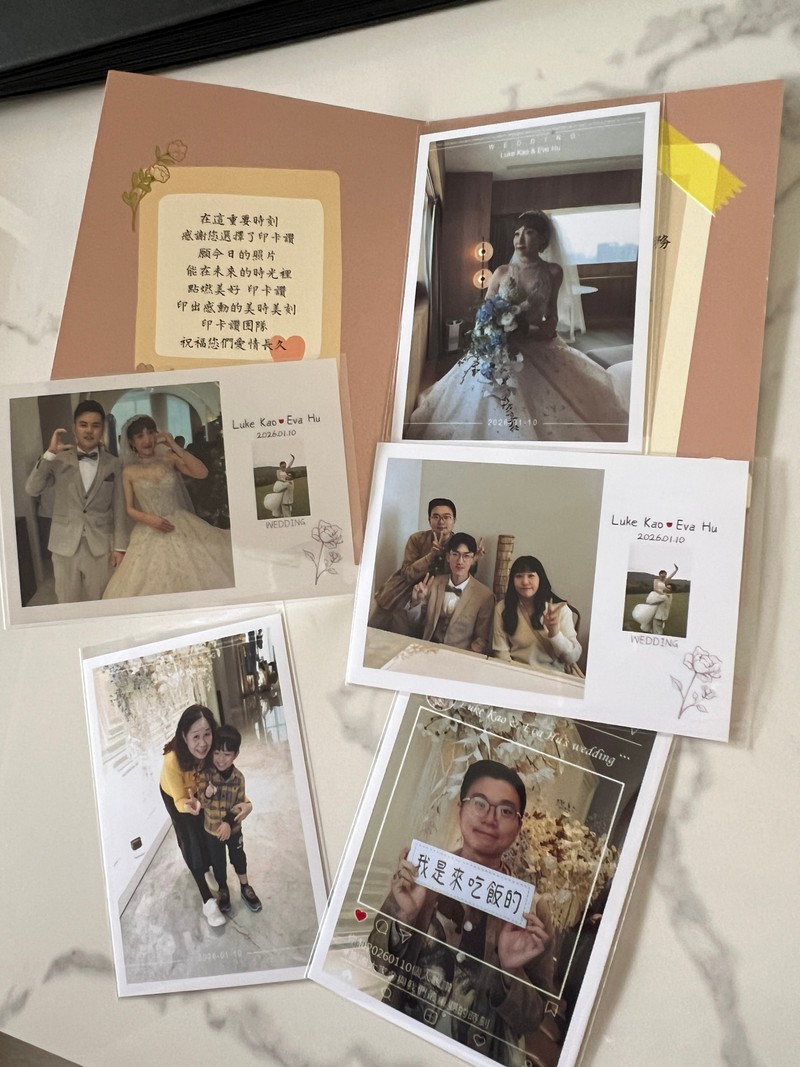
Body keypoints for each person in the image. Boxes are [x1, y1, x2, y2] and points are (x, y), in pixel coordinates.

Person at [369, 759, 552, 1064]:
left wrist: (509, 972)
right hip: (401, 1044)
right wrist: (404, 918)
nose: (490, 818)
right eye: (479, 803)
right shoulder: (422, 873)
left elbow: (531, 1020)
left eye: (506, 811)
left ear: (518, 827)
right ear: (460, 809)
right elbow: (378, 962)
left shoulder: (531, 910)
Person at [407, 210, 628, 442]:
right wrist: (492, 331)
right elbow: (484, 311)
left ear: (542, 239)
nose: (520, 239)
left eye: (529, 232)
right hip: (498, 347)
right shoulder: (502, 272)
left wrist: (547, 328)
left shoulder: (553, 272)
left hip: (536, 344)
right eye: (516, 233)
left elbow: (551, 313)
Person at [102, 415, 234, 599]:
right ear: (131, 442)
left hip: (180, 524)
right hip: (149, 528)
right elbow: (129, 509)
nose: (147, 440)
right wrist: (150, 519)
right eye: (140, 436)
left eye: (150, 433)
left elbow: (202, 472)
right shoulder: (129, 471)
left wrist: (174, 445)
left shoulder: (169, 459)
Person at [24, 399, 129, 602]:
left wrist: (120, 547)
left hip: (100, 544)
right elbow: (32, 489)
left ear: (102, 429)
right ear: (74, 428)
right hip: (64, 542)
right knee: (67, 600)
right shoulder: (58, 460)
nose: (89, 430)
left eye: (95, 425)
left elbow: (119, 507)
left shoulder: (114, 464)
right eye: (83, 425)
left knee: (99, 600)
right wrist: (49, 455)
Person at [159, 705, 251, 928]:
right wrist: (191, 806)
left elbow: (230, 781)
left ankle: (209, 866)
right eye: (196, 736)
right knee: (191, 839)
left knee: (208, 832)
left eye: (207, 734)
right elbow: (180, 799)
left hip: (203, 796)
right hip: (179, 798)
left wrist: (247, 803)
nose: (202, 743)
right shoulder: (172, 761)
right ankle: (207, 900)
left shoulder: (213, 751)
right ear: (184, 736)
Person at [369, 497, 459, 634]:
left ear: (454, 520)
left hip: (437, 595)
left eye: (446, 517)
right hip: (404, 591)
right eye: (436, 517)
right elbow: (407, 574)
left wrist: (474, 561)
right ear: (429, 520)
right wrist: (430, 556)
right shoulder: (417, 539)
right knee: (386, 629)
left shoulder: (459, 543)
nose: (441, 522)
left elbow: (462, 575)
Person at [199, 725, 262, 914]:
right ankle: (223, 889)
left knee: (238, 856)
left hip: (233, 829)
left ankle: (245, 886)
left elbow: (240, 805)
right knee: (218, 862)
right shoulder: (206, 775)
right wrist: (207, 794)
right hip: (212, 831)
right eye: (217, 753)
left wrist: (228, 822)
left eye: (227, 754)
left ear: (236, 754)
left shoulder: (239, 778)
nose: (221, 759)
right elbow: (201, 803)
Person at [493, 556, 583, 676]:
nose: (525, 581)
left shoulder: (560, 610)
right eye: (519, 576)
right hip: (516, 673)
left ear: (540, 578)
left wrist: (555, 633)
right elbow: (501, 653)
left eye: (531, 576)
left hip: (552, 676)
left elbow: (572, 657)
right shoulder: (503, 608)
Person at [406, 533, 494, 654]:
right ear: (448, 557)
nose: (460, 561)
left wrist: (463, 658)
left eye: (466, 556)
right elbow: (415, 625)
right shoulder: (433, 583)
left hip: (460, 656)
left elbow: (482, 640)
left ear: (473, 559)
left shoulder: (484, 595)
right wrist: (416, 602)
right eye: (455, 554)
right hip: (427, 651)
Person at [632, 564, 678, 634]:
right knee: (651, 611)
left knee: (658, 610)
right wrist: (662, 594)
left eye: (664, 576)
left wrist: (676, 570)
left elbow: (671, 576)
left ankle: (657, 624)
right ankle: (653, 625)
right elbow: (655, 589)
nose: (663, 577)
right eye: (662, 575)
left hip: (662, 596)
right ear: (659, 575)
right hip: (657, 594)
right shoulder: (656, 580)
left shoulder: (665, 581)